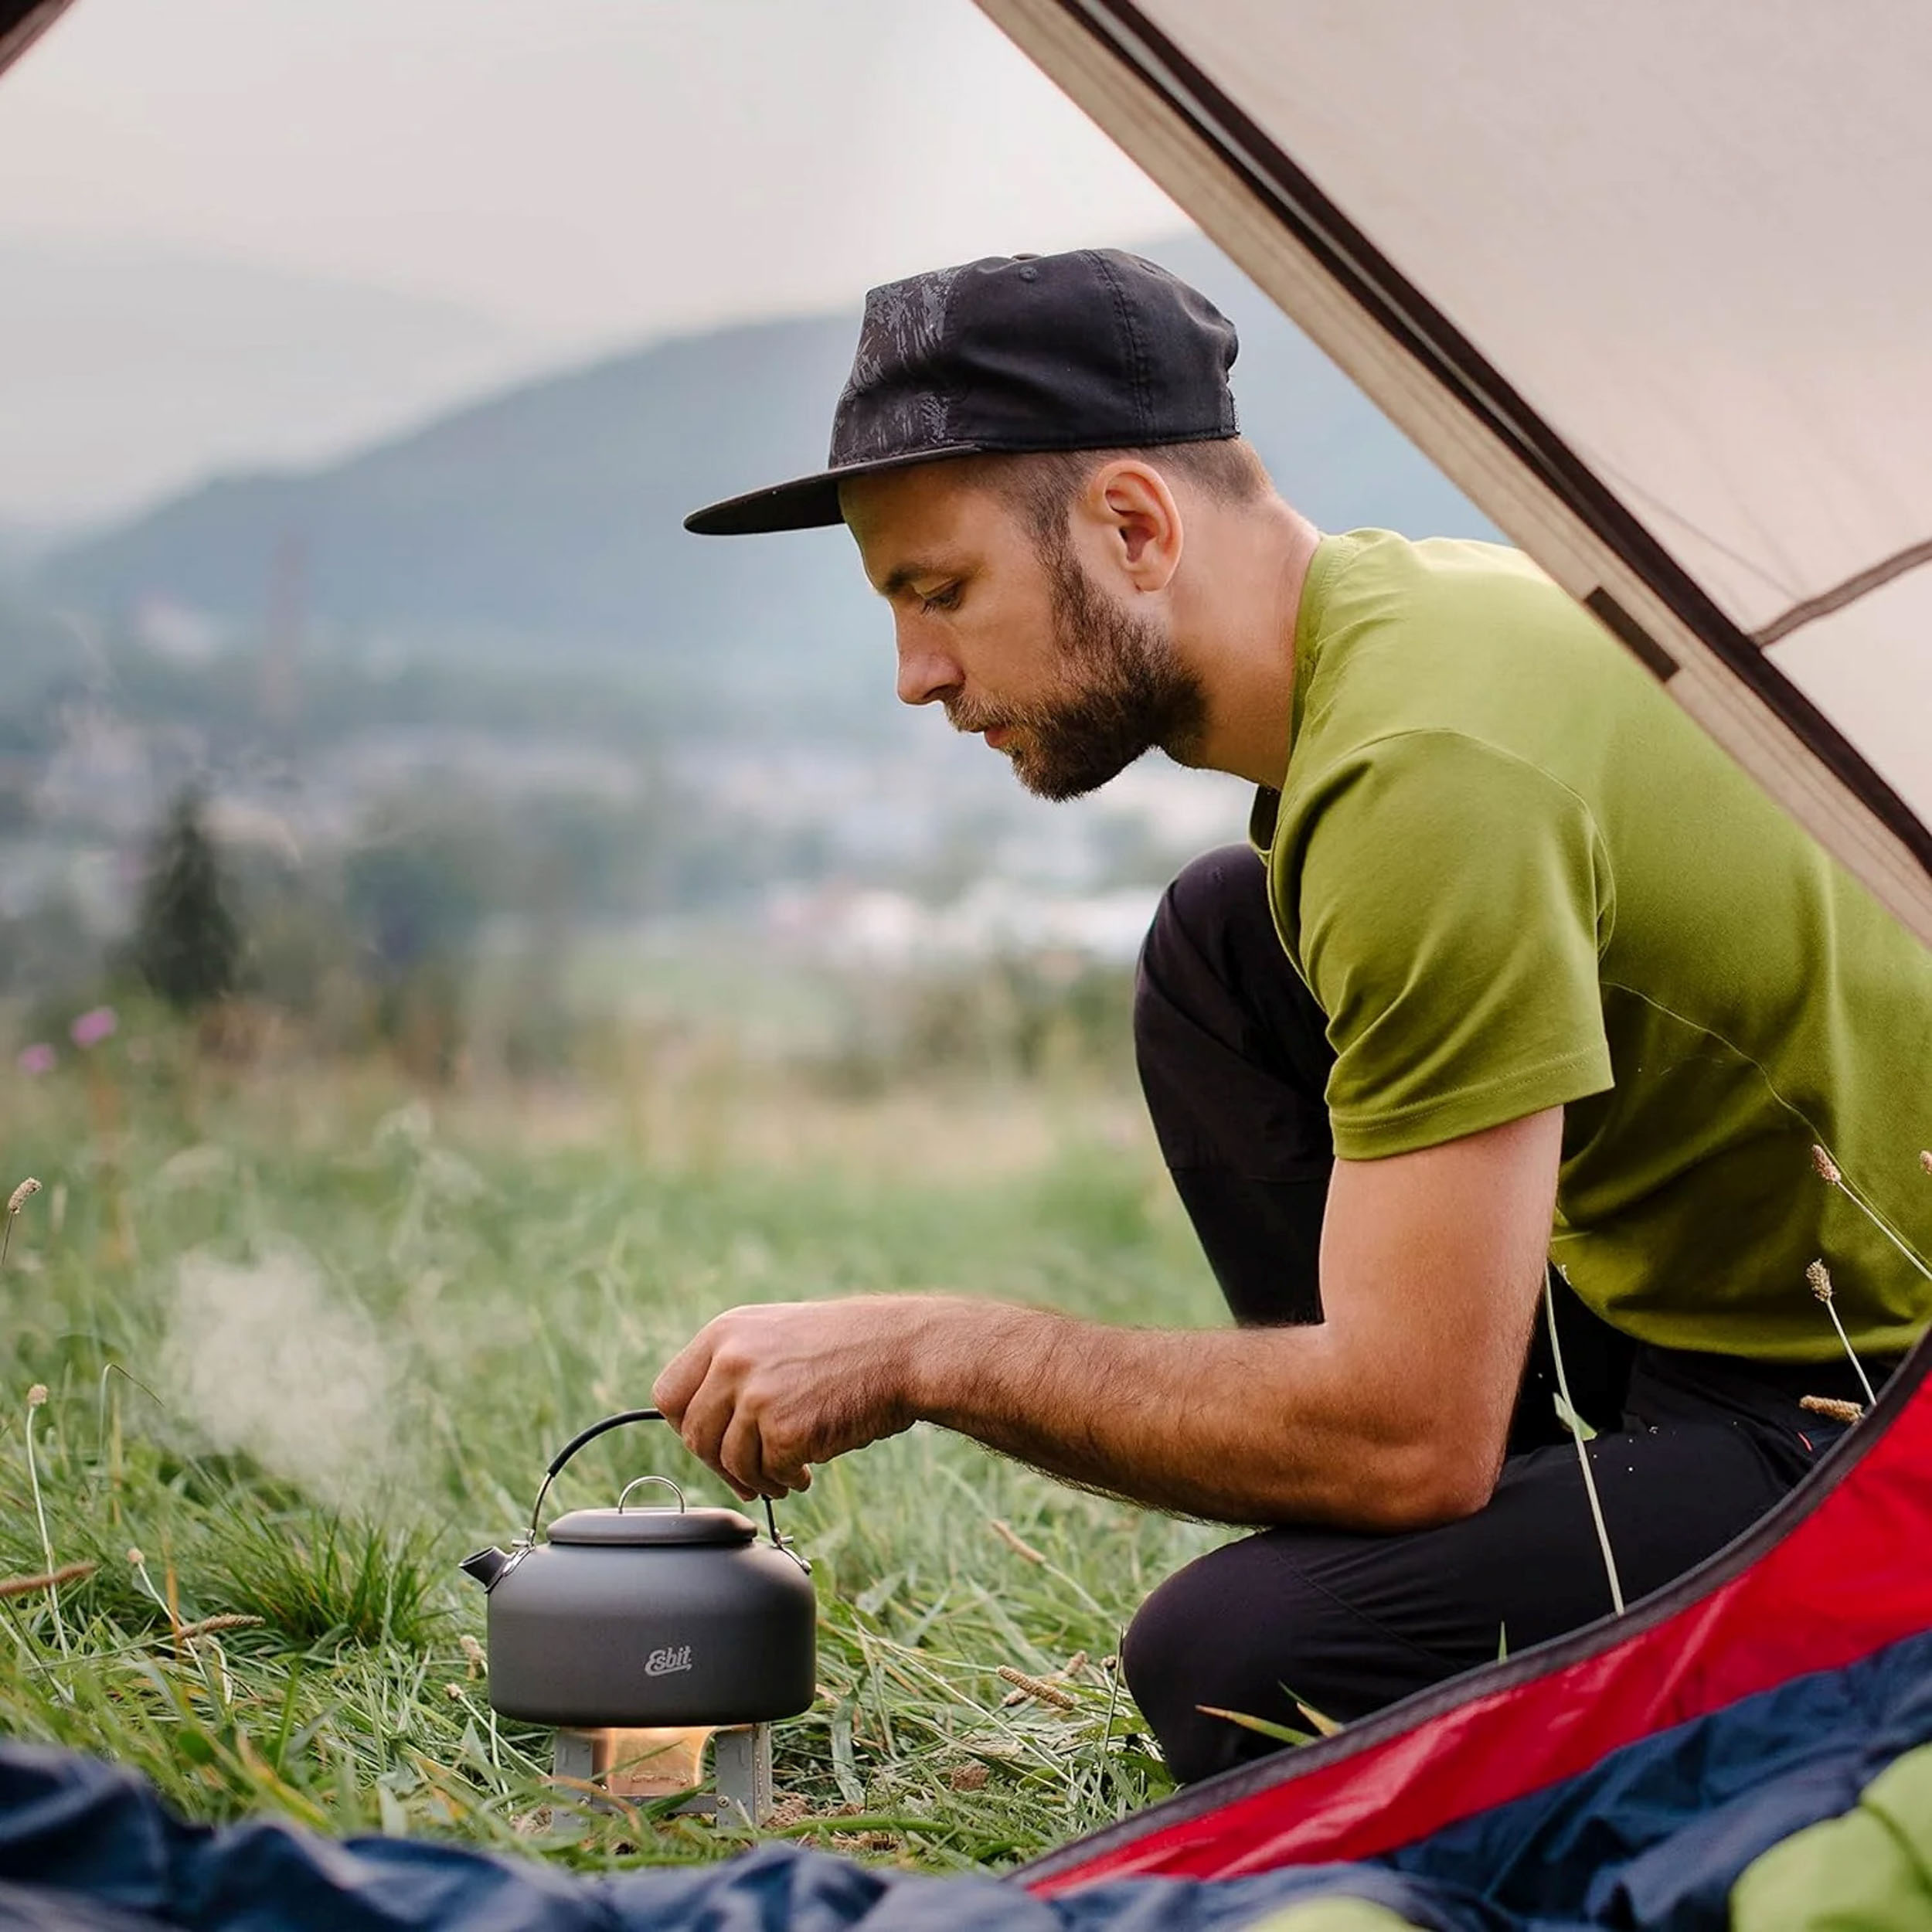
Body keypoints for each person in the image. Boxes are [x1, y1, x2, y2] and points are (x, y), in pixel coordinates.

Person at [661, 249, 1932, 1783]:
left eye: (939, 593)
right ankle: (1474, 1537)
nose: (916, 674)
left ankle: (1448, 1547)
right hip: (1695, 1308)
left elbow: (1408, 1434)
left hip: (1872, 1411)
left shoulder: (1421, 774)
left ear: (1133, 526)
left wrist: (936, 1350)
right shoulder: (1398, 627)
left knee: (1244, 1660)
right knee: (1221, 940)